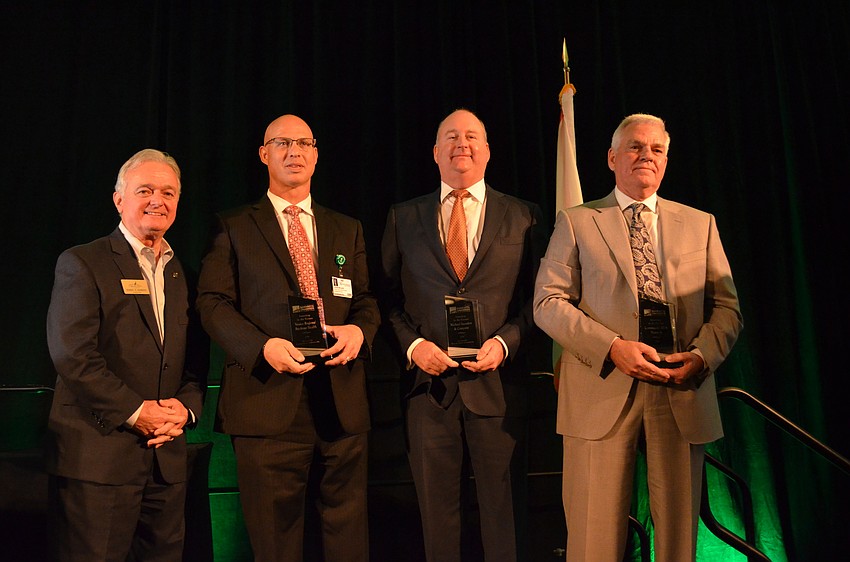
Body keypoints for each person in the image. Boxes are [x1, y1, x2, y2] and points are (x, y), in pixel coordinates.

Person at [533, 113, 743, 561]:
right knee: (594, 540)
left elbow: (728, 309)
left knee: (679, 543)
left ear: (665, 161)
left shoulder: (700, 223)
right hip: (602, 387)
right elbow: (548, 302)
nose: (646, 155)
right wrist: (611, 348)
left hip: (680, 388)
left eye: (656, 149)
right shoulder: (577, 221)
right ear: (612, 158)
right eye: (635, 146)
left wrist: (701, 357)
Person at [196, 114, 380, 562]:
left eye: (304, 143)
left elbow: (365, 300)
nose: (294, 151)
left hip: (341, 404)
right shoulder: (233, 225)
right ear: (264, 155)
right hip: (267, 403)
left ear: (316, 155)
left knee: (348, 544)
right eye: (282, 143)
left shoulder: (347, 228)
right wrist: (261, 348)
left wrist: (359, 331)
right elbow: (212, 303)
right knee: (275, 546)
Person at [381, 108, 545, 562]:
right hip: (428, 392)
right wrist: (414, 346)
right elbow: (384, 299)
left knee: (505, 522)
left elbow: (541, 299)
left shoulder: (524, 215)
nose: (462, 144)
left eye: (472, 136)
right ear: (435, 152)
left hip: (499, 390)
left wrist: (506, 342)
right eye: (451, 137)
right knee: (438, 526)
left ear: (487, 151)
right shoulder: (403, 217)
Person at [45, 149, 206, 561]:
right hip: (98, 460)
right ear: (119, 200)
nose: (158, 201)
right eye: (145, 190)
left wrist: (185, 410)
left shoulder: (183, 274)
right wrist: (137, 412)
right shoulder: (83, 262)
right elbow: (73, 355)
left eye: (168, 192)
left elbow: (194, 362)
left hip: (166, 462)